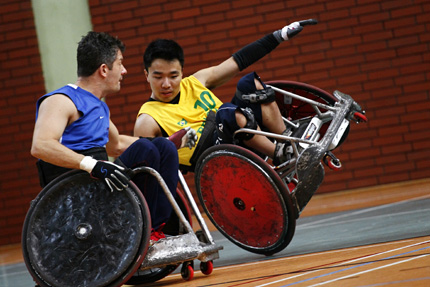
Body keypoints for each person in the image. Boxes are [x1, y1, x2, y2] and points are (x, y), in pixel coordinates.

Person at [30, 31, 196, 241]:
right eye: (120, 63)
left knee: (163, 148)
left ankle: (156, 229)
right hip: (75, 191)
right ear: (104, 69)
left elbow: (116, 145)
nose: (124, 70)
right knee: (146, 149)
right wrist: (92, 165)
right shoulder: (61, 100)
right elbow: (41, 145)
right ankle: (144, 231)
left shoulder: (98, 106)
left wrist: (169, 141)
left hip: (99, 183)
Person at [134, 19, 317, 169]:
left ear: (182, 72)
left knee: (249, 83)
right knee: (226, 112)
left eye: (173, 76)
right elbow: (149, 168)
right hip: (214, 161)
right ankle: (281, 155)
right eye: (158, 77)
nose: (166, 84)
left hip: (243, 134)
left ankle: (288, 140)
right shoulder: (147, 119)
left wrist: (280, 35)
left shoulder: (196, 81)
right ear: (146, 75)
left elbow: (239, 60)